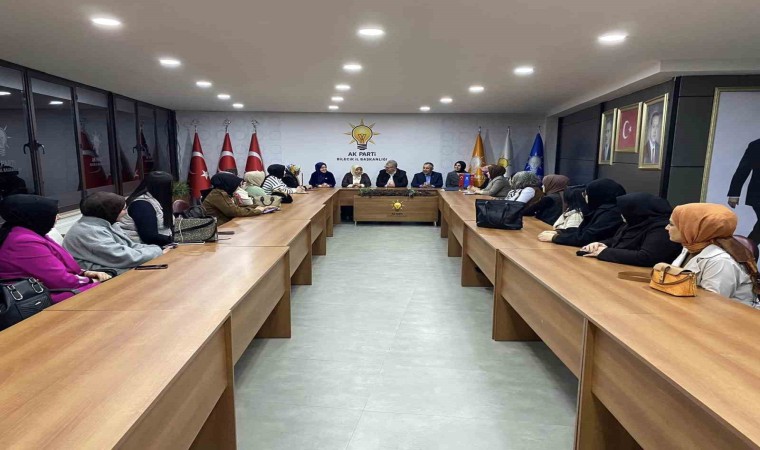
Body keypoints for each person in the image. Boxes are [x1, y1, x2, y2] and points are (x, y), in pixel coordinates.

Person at [0, 194, 109, 303]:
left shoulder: (28, 232)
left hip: (48, 289)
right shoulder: (23, 242)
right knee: (106, 288)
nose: (59, 217)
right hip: (35, 298)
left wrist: (85, 273)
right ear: (38, 215)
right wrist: (90, 280)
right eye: (54, 214)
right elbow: (59, 280)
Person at [666, 203, 759, 306]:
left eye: (671, 224)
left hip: (727, 315)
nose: (667, 227)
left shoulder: (721, 261)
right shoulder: (691, 247)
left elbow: (711, 305)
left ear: (692, 228)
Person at [63, 192, 164, 275]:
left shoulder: (107, 222)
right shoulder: (90, 231)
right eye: (123, 209)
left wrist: (157, 249)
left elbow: (130, 246)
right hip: (103, 278)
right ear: (110, 211)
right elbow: (122, 257)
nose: (126, 212)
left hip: (117, 271)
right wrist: (158, 251)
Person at [579, 193, 682, 267]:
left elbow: (646, 257)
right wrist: (601, 244)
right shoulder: (634, 222)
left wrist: (604, 252)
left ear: (636, 210)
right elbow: (617, 239)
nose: (621, 214)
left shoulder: (661, 228)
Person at [540, 178, 626, 246]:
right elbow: (583, 230)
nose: (585, 197)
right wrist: (560, 232)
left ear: (597, 195)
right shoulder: (601, 210)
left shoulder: (611, 214)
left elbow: (587, 238)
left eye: (586, 194)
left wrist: (555, 238)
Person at [119, 171, 174, 246]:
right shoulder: (142, 205)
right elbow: (149, 237)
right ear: (162, 188)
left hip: (160, 244)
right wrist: (174, 240)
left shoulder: (155, 199)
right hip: (142, 248)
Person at [203, 172, 274, 226]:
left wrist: (259, 207)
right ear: (229, 184)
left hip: (226, 224)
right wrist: (258, 211)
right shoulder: (218, 194)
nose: (238, 187)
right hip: (219, 227)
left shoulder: (225, 192)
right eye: (236, 184)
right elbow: (234, 211)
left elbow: (238, 207)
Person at [728, 138, 760, 245]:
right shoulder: (756, 145)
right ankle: (745, 249)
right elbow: (743, 168)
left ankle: (744, 249)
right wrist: (734, 193)